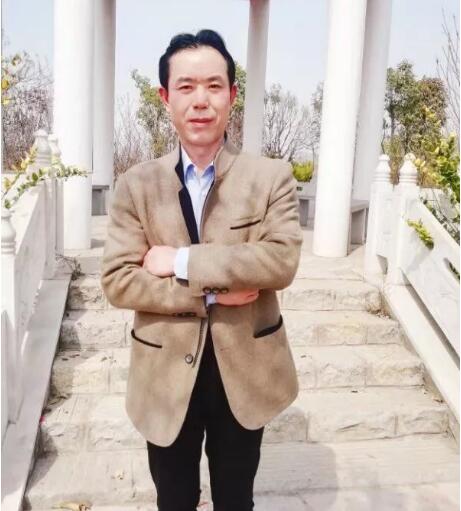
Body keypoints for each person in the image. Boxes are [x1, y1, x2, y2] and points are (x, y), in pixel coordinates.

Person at [101, 29, 302, 511]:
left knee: (236, 499)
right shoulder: (136, 185)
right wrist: (210, 292)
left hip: (246, 368)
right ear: (165, 97)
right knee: (173, 499)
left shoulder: (270, 177)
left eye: (214, 86)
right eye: (186, 87)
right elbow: (118, 279)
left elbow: (280, 260)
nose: (200, 101)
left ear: (232, 95)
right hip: (163, 372)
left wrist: (180, 262)